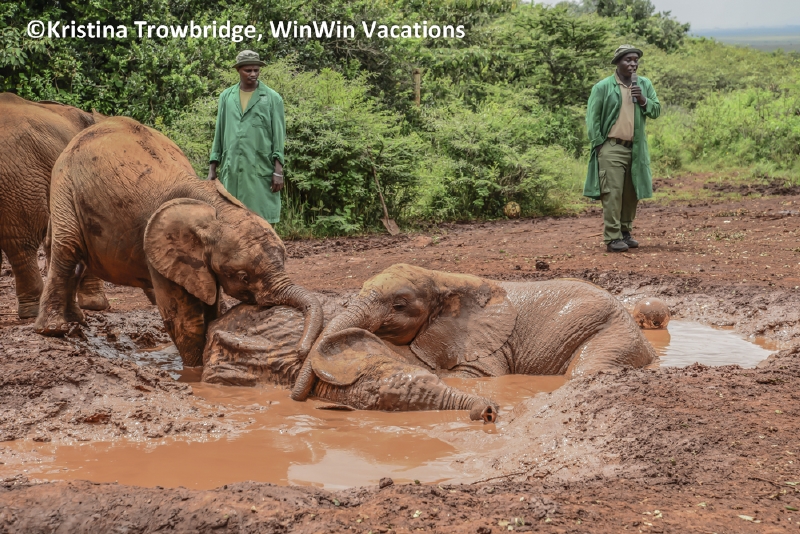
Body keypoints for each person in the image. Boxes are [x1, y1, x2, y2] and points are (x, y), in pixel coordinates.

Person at [583, 44, 661, 252]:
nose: (633, 64)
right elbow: (592, 119)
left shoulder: (644, 84)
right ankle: (612, 237)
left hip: (636, 148)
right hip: (611, 146)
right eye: (628, 60)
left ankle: (625, 231)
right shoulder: (603, 87)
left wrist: (642, 99)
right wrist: (599, 145)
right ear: (617, 62)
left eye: (636, 60)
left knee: (631, 192)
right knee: (613, 193)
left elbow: (656, 110)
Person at [208, 50, 286, 224]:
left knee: (261, 221)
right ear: (238, 70)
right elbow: (219, 132)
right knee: (230, 220)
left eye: (256, 70)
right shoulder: (226, 97)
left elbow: (279, 137)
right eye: (248, 70)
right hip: (232, 167)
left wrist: (278, 171)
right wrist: (213, 167)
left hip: (260, 167)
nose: (253, 74)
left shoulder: (272, 99)